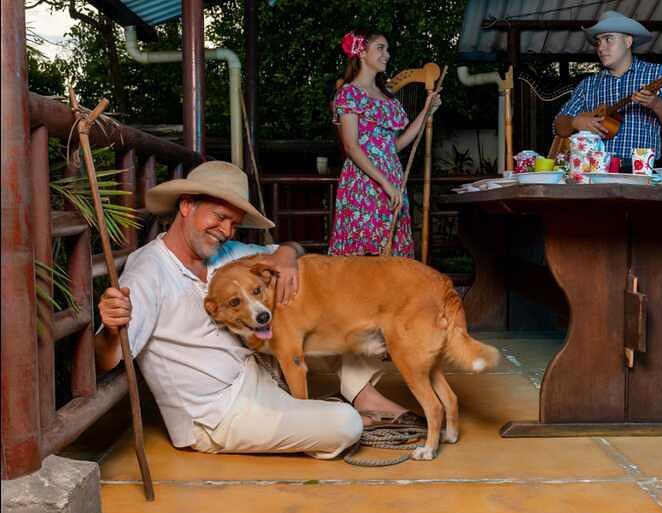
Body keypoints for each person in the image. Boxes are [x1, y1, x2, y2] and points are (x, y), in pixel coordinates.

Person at [95, 161, 419, 458]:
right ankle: (334, 413)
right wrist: (111, 327)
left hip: (257, 374)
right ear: (186, 205)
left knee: (319, 302)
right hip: (218, 414)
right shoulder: (148, 272)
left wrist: (285, 258)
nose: (225, 231)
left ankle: (360, 393)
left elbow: (289, 249)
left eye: (233, 224)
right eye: (219, 217)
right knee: (346, 424)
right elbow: (107, 358)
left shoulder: (226, 254)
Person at [329, 29, 441, 257]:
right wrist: (385, 183)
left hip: (393, 178)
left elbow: (395, 146)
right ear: (361, 52)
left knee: (391, 255)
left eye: (387, 49)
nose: (387, 54)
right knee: (364, 257)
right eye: (380, 48)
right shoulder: (348, 93)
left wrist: (427, 111)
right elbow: (351, 147)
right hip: (365, 182)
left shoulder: (386, 97)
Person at [553, 11, 662, 169]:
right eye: (598, 42)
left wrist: (655, 103)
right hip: (595, 170)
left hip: (640, 170)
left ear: (628, 42)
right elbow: (558, 125)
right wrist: (577, 121)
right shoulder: (588, 85)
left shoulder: (657, 74)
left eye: (608, 39)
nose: (601, 48)